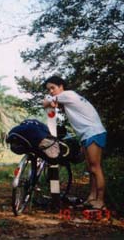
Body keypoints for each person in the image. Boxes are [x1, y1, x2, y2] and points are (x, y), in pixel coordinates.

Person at [42, 76, 107, 210]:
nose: (51, 92)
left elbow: (45, 102)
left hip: (93, 131)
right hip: (86, 133)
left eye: (53, 88)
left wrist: (50, 102)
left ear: (61, 87)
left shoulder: (67, 94)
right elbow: (52, 105)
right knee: (90, 169)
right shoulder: (67, 98)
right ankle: (92, 197)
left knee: (95, 167)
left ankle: (100, 200)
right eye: (49, 89)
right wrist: (53, 104)